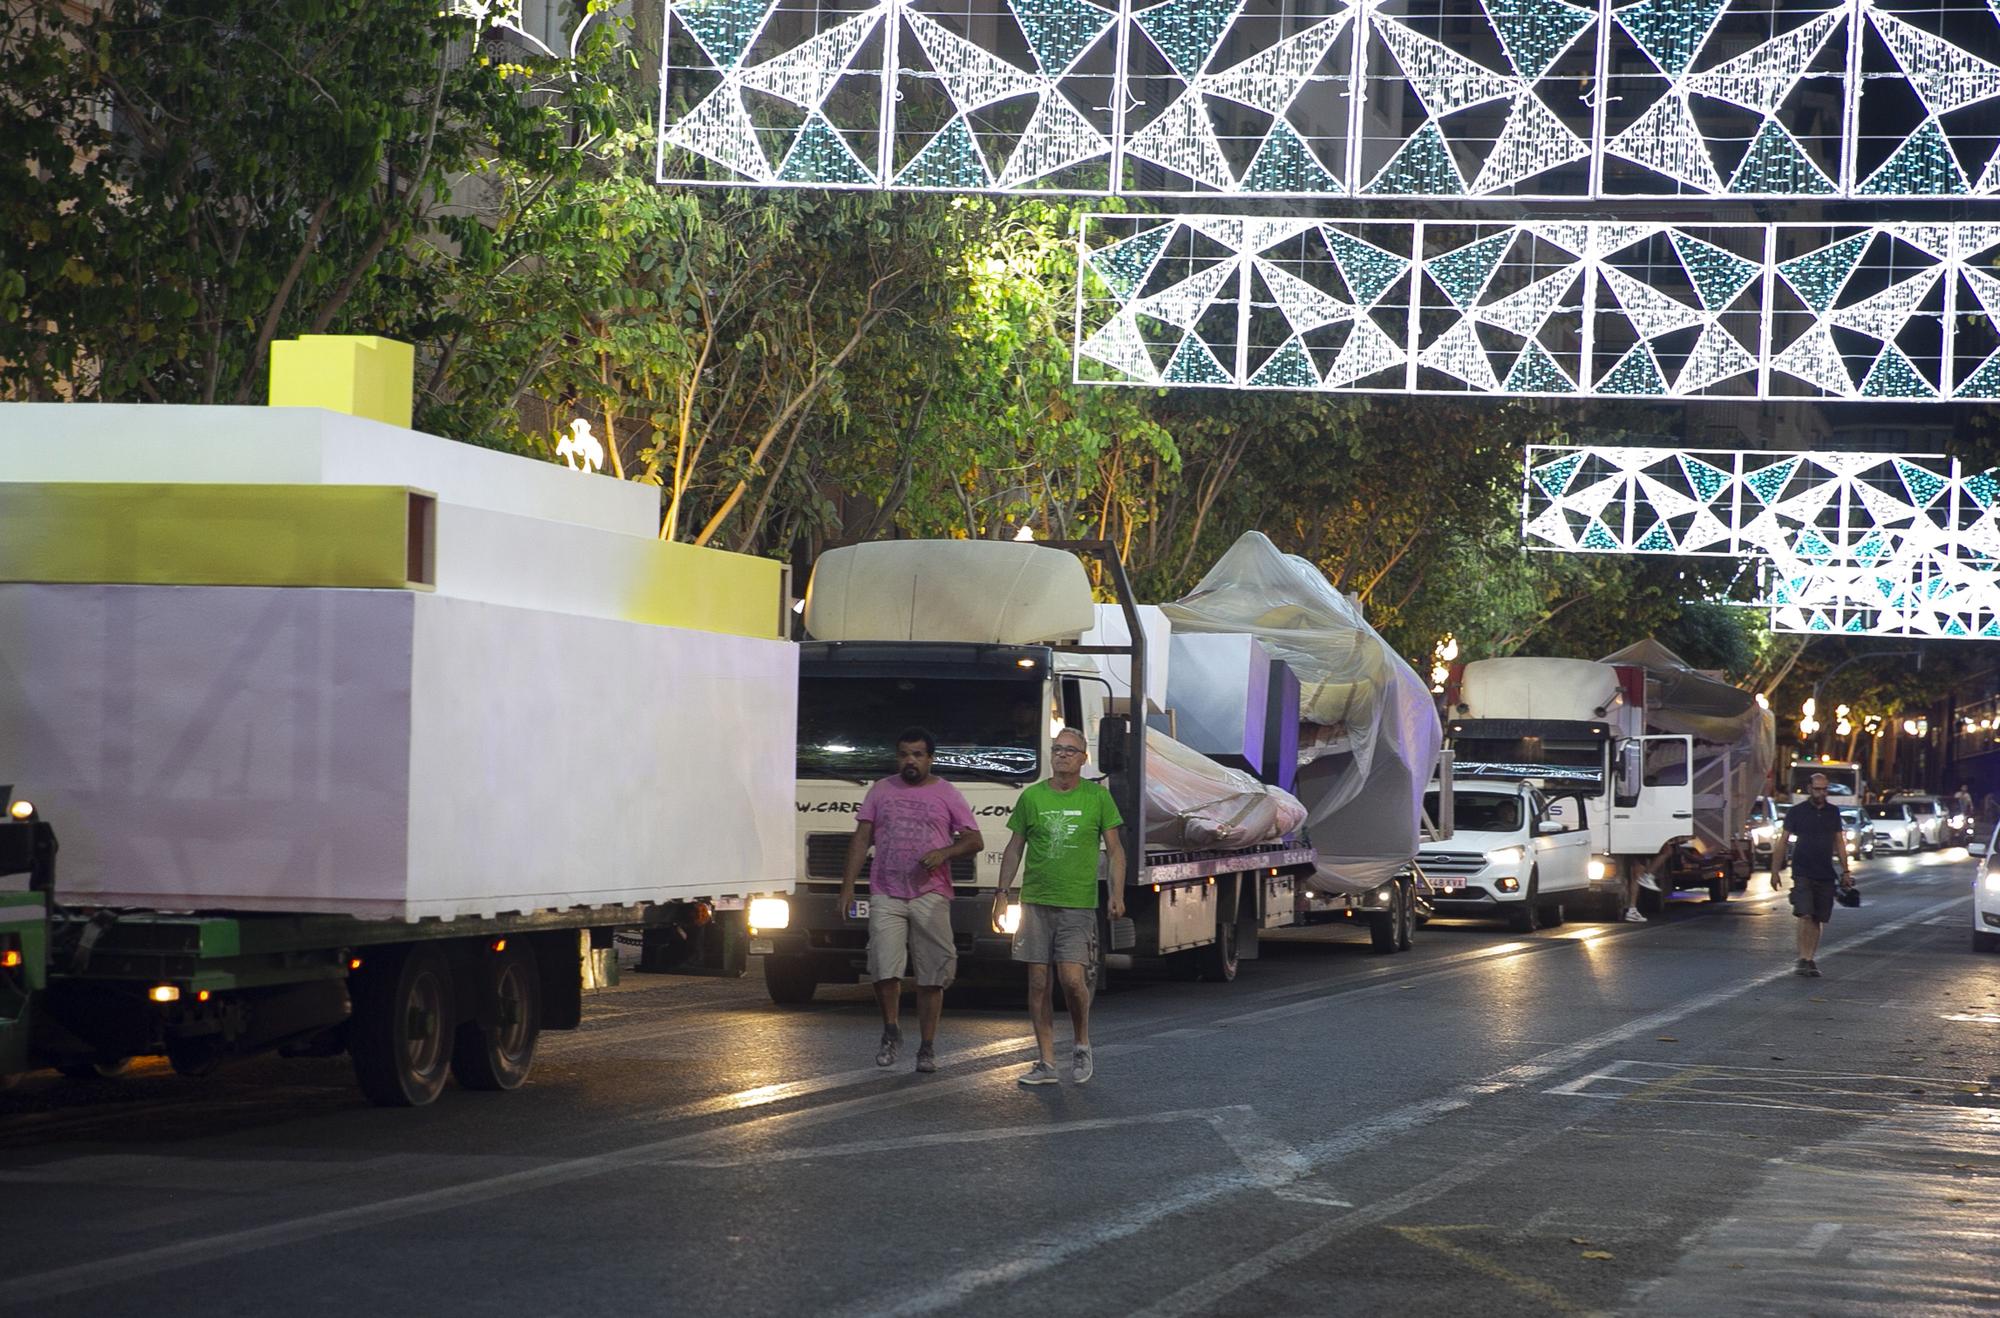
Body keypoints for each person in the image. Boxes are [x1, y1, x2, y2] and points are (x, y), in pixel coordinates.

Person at [839, 727, 983, 1073]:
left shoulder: (946, 793)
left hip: (930, 893)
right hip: (886, 889)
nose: (910, 760)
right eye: (904, 754)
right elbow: (861, 839)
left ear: (930, 759)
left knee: (931, 973)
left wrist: (944, 852)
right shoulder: (881, 790)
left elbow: (974, 840)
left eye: (917, 754)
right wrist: (847, 888)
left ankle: (927, 1046)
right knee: (883, 966)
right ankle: (891, 1030)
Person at [992, 726, 1126, 1087]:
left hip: (1077, 903)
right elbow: (1014, 847)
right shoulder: (1032, 797)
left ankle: (1081, 1042)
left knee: (1071, 979)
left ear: (1084, 759)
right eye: (1057, 749)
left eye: (1070, 750)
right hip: (1036, 901)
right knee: (1038, 982)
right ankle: (1046, 1062)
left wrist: (1116, 894)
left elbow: (1115, 851)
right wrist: (1003, 891)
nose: (1062, 754)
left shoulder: (1097, 798)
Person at [1773, 772, 1853, 977]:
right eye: (1818, 789)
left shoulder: (1833, 812)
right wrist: (1775, 871)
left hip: (1825, 872)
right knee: (1805, 913)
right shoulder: (1797, 812)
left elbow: (1839, 842)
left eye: (1825, 789)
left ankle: (1810, 958)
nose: (1821, 793)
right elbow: (1783, 841)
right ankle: (1802, 957)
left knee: (1818, 917)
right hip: (1802, 870)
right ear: (1809, 789)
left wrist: (1845, 871)